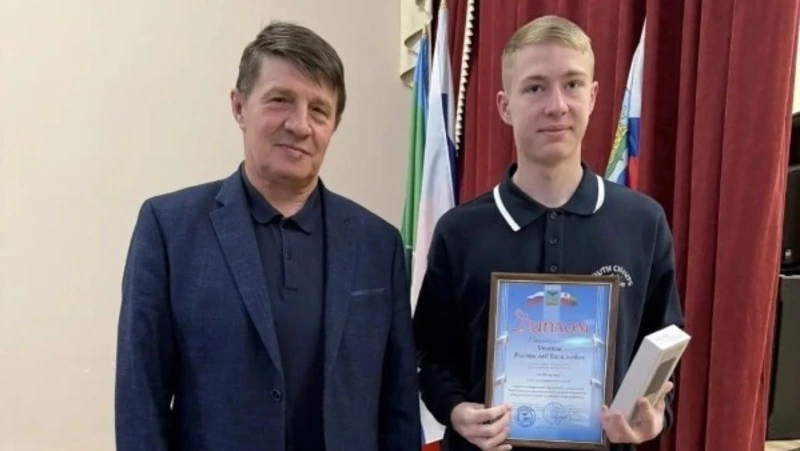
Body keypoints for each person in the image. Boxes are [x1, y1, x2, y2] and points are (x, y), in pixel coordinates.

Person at [115, 21, 420, 451]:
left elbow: (399, 404)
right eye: (280, 100)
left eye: (319, 110)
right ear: (239, 107)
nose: (300, 125)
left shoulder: (378, 244)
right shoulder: (168, 229)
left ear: (334, 125)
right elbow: (139, 399)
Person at [413, 15, 685, 451]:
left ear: (593, 96)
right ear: (505, 106)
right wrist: (456, 410)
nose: (556, 105)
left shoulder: (643, 222)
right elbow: (432, 357)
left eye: (572, 84)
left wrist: (654, 417)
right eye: (535, 87)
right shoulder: (459, 232)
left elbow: (664, 353)